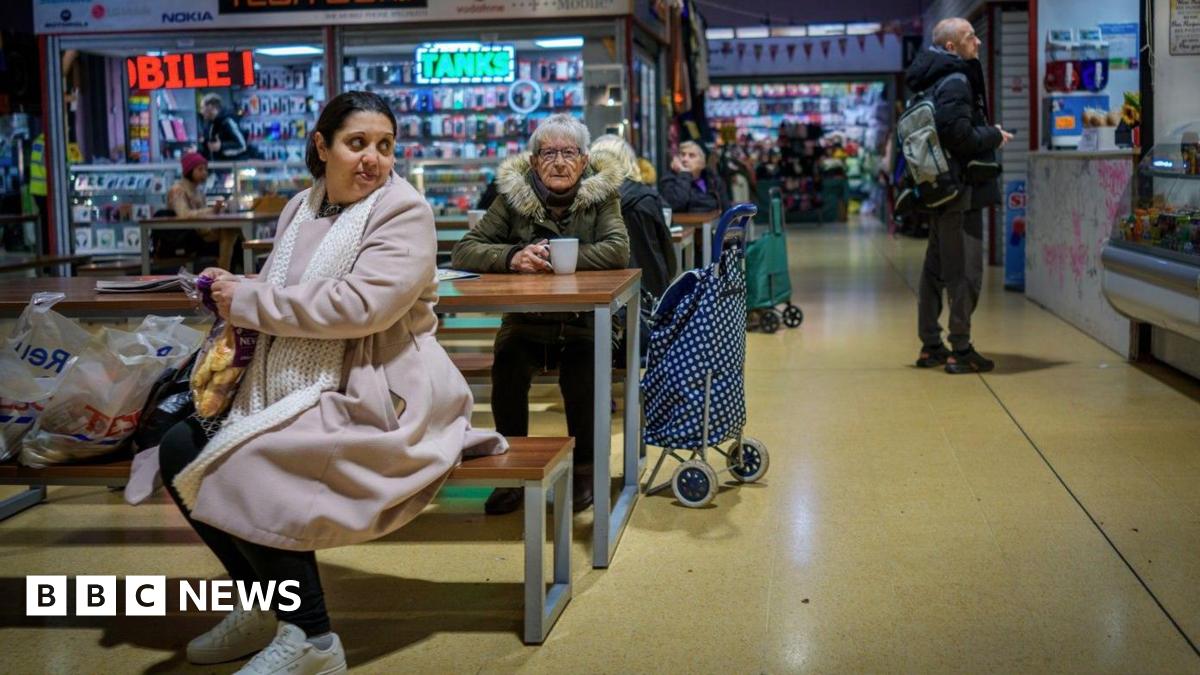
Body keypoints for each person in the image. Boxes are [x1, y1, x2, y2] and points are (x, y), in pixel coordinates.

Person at [128, 91, 504, 675]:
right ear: (321, 147)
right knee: (178, 447)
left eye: (384, 146)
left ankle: (313, 639)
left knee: (255, 457)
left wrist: (248, 299)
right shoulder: (301, 207)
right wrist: (238, 288)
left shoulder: (404, 210)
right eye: (357, 144)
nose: (373, 159)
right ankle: (262, 606)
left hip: (382, 391)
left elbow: (360, 307)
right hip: (292, 381)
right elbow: (294, 286)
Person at [451, 113, 630, 516]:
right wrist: (512, 256)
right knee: (508, 370)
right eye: (548, 153)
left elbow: (618, 249)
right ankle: (511, 471)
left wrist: (554, 258)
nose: (559, 163)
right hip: (525, 322)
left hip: (584, 322)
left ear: (584, 161)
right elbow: (465, 250)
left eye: (569, 153)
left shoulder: (603, 197)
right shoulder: (512, 199)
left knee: (583, 375)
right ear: (534, 162)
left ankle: (584, 469)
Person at [907, 17, 1012, 374]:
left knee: (935, 268)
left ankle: (931, 345)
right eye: (970, 37)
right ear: (951, 46)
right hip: (960, 191)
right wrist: (994, 135)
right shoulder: (955, 81)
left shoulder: (931, 81)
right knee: (966, 272)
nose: (978, 42)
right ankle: (961, 349)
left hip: (938, 187)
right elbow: (960, 136)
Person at [589, 135, 677, 298]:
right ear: (629, 161)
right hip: (651, 289)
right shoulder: (647, 199)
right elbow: (668, 253)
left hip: (602, 292)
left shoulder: (586, 201)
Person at [658, 140, 729, 214]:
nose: (685, 159)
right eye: (682, 155)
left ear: (703, 162)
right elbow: (675, 204)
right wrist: (684, 174)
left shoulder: (713, 179)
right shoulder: (669, 179)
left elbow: (727, 210)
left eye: (691, 156)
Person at [201, 93, 249, 161]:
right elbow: (209, 150)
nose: (201, 111)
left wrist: (221, 146)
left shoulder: (227, 121)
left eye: (202, 108)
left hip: (231, 167)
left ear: (210, 107)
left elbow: (242, 146)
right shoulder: (208, 125)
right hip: (215, 168)